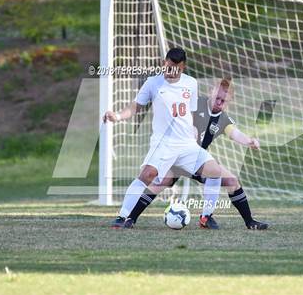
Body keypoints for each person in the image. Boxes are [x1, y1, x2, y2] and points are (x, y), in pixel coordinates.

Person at [123, 77, 269, 230]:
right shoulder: (194, 103)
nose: (219, 102)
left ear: (229, 101)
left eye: (223, 101)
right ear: (210, 92)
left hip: (195, 160)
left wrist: (249, 141)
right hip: (175, 154)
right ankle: (130, 218)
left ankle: (244, 221)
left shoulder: (223, 119)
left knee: (231, 180)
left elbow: (235, 133)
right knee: (161, 181)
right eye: (217, 98)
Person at [104, 48, 222, 229]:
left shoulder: (191, 83)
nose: (171, 72)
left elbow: (190, 112)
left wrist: (194, 128)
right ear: (163, 63)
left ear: (183, 67)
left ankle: (206, 217)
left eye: (176, 68)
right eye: (168, 67)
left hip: (186, 144)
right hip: (163, 143)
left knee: (215, 171)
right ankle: (123, 217)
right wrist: (118, 116)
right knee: (147, 175)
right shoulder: (153, 83)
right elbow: (136, 107)